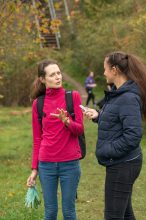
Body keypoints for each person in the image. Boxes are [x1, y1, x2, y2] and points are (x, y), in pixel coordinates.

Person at [84, 51, 146, 220]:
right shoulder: (119, 93)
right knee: (125, 214)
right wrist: (98, 116)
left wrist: (107, 150)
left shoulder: (127, 97)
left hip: (123, 165)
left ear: (114, 70)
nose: (103, 73)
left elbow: (133, 135)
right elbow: (117, 121)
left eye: (105, 69)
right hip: (122, 163)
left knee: (113, 216)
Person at [26, 59, 84, 220]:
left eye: (59, 73)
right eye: (52, 74)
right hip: (46, 165)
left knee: (69, 211)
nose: (58, 77)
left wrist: (67, 122)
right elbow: (37, 139)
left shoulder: (73, 97)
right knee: (50, 211)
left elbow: (79, 129)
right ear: (43, 79)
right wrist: (34, 169)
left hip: (70, 164)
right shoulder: (38, 104)